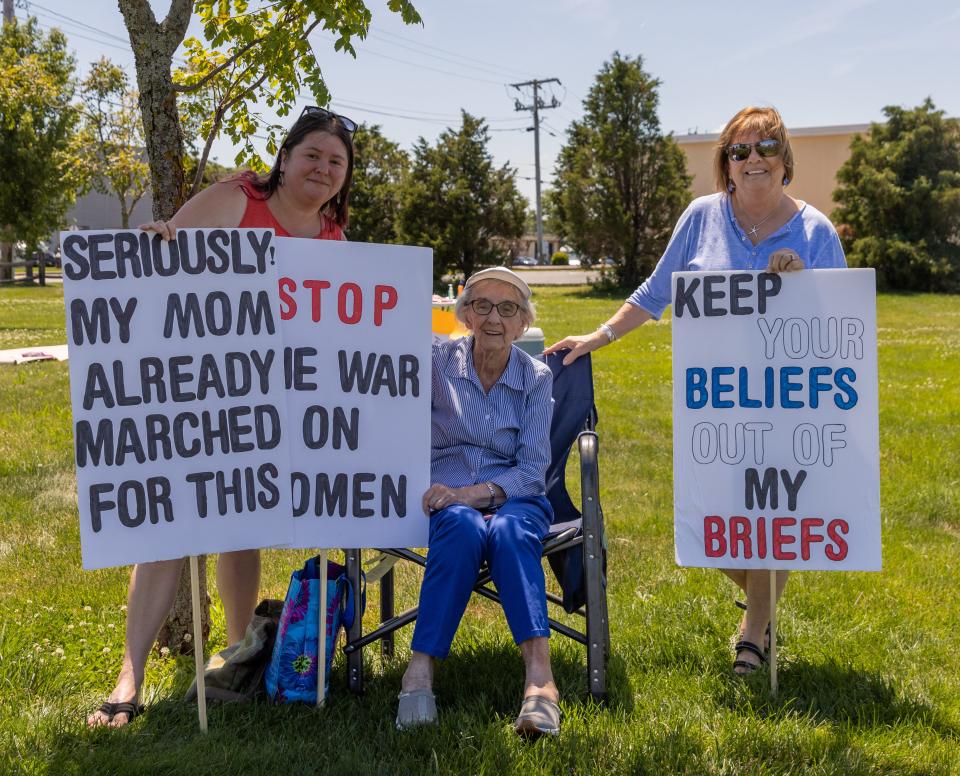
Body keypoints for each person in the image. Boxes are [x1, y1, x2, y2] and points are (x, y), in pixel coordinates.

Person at [545, 106, 847, 676]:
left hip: (788, 401)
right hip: (718, 399)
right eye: (740, 150)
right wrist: (600, 334)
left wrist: (802, 287)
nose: (753, 159)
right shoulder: (701, 217)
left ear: (785, 160)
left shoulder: (815, 230)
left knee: (769, 516)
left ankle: (752, 638)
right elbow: (655, 293)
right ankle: (763, 604)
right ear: (726, 165)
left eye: (765, 148)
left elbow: (841, 326)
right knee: (715, 529)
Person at [87, 106, 357, 727]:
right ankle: (128, 680)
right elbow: (162, 266)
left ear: (344, 177)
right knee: (166, 533)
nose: (322, 168)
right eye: (311, 154)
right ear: (284, 158)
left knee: (244, 526)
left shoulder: (335, 239)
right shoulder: (235, 201)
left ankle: (236, 656)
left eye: (335, 162)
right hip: (196, 392)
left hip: (272, 402)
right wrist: (157, 240)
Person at [396, 267, 560, 737]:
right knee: (464, 526)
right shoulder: (434, 361)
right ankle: (420, 671)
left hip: (514, 496)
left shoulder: (535, 378)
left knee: (508, 532)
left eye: (507, 309)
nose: (494, 318)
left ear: (523, 324)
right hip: (439, 497)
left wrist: (471, 494)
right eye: (482, 305)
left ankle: (540, 681)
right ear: (464, 314)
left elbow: (532, 472)